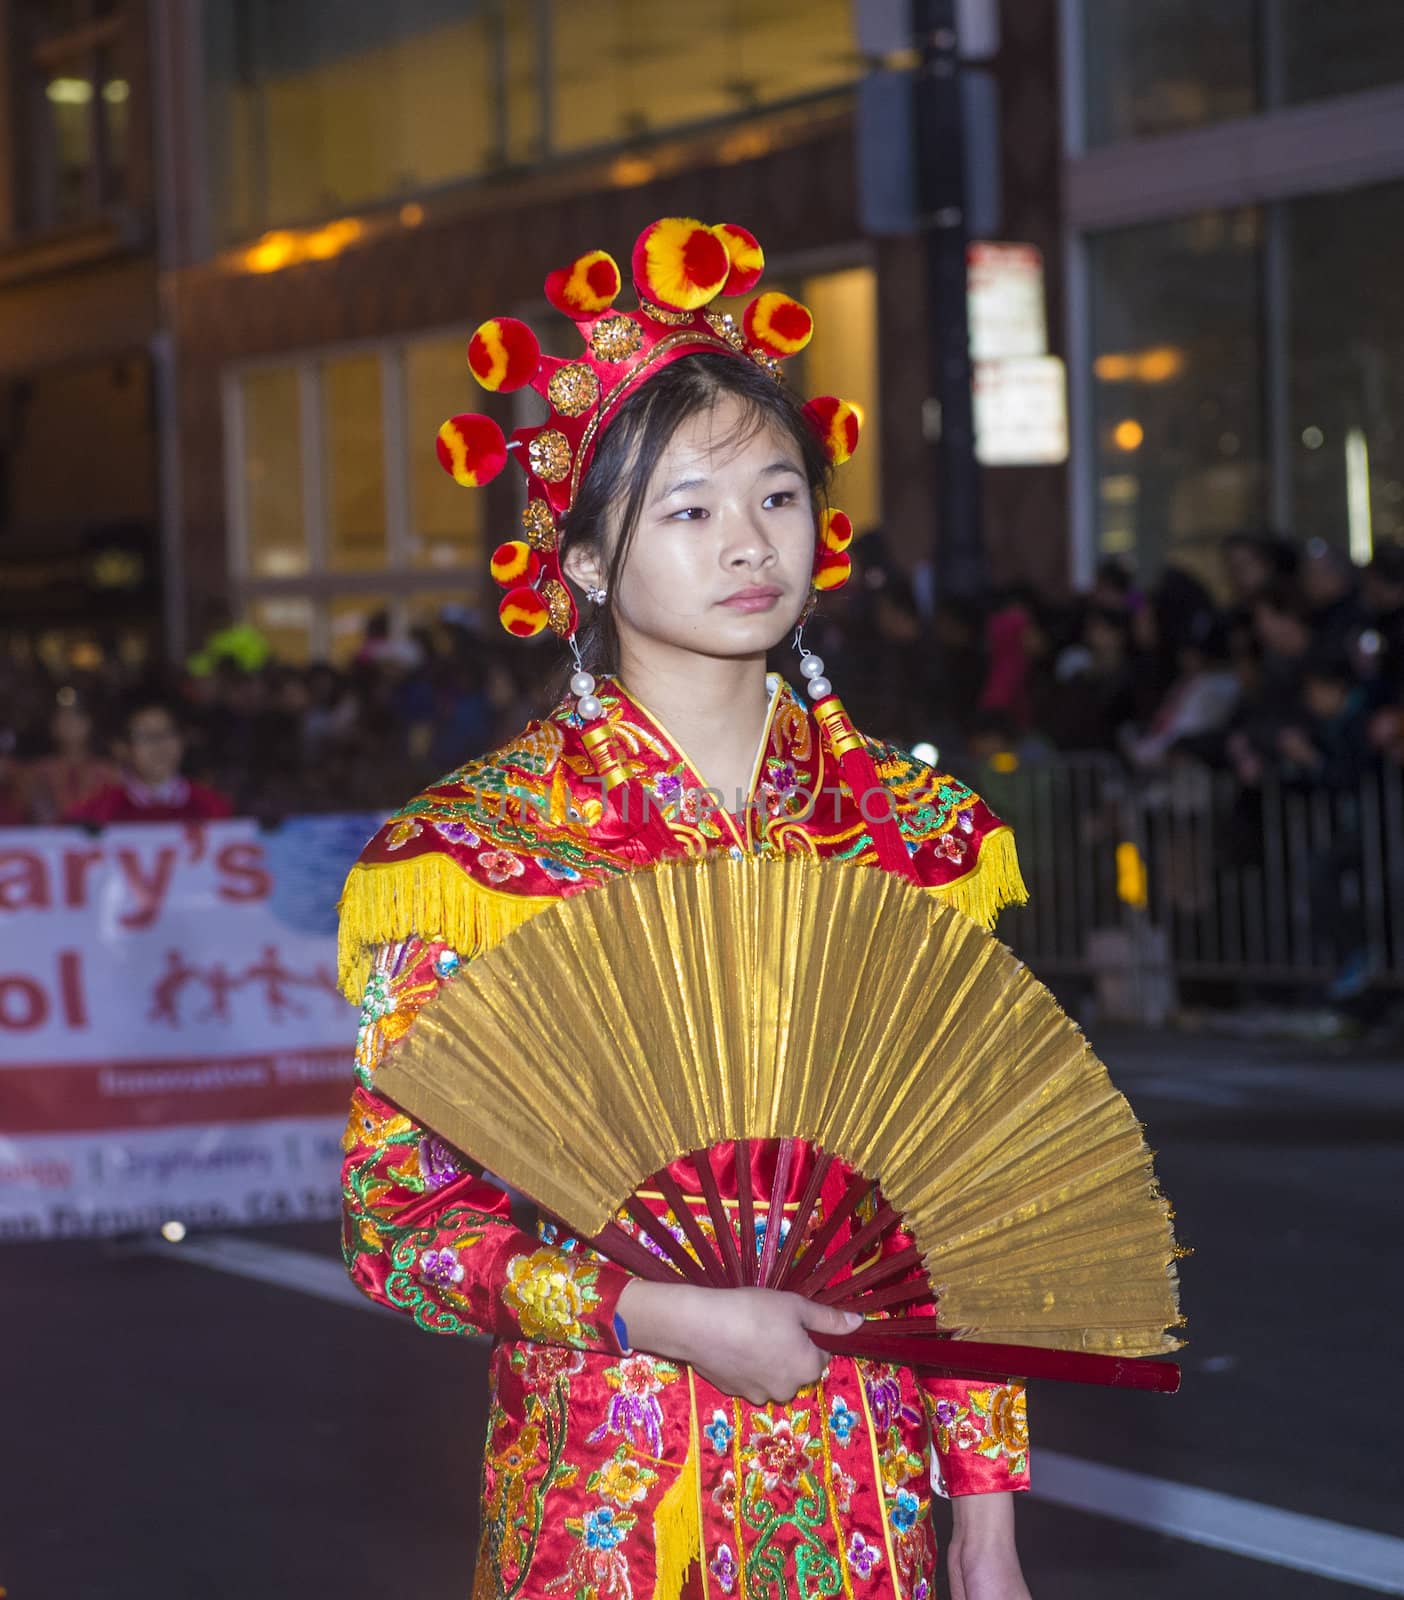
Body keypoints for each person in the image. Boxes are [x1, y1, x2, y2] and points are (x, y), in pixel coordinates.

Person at [338, 219, 1033, 1600]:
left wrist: (988, 1530)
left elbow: (978, 1209)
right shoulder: (477, 856)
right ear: (585, 561)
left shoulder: (921, 836)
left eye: (777, 496)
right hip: (605, 1490)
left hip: (869, 1486)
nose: (746, 544)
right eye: (688, 508)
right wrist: (660, 1311)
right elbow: (396, 1226)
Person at [65, 692, 233, 824]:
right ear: (122, 748)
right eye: (145, 736)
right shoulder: (99, 811)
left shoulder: (212, 806)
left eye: (167, 733)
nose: (159, 745)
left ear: (183, 740)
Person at [23, 689, 120, 824]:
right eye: (62, 716)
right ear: (53, 725)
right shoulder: (37, 771)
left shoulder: (109, 772)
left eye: (76, 716)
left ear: (89, 723)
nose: (69, 722)